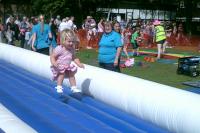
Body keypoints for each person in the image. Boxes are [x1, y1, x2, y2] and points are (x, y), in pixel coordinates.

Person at [50, 29, 84, 93]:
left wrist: (79, 64)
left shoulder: (72, 49)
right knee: (61, 74)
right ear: (63, 41)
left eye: (72, 41)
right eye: (69, 41)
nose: (71, 43)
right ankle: (59, 86)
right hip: (60, 65)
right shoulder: (60, 49)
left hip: (68, 66)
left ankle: (73, 87)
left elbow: (74, 58)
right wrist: (54, 63)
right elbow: (52, 56)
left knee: (72, 75)